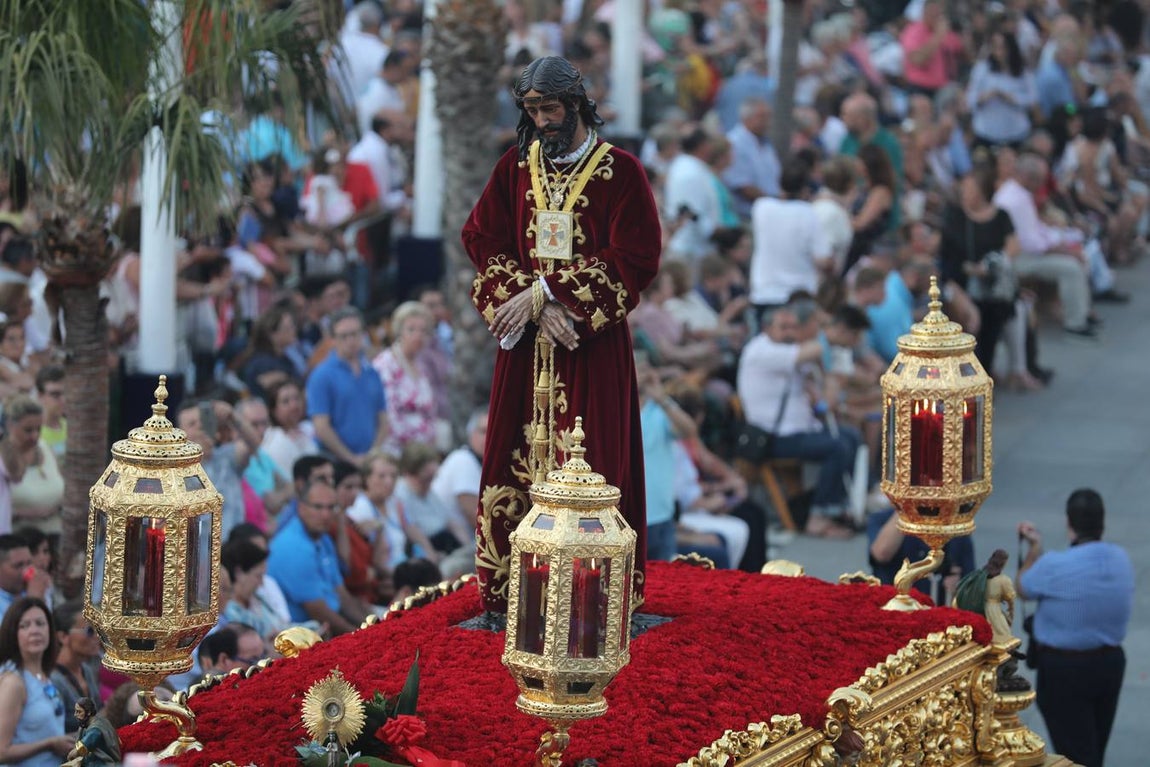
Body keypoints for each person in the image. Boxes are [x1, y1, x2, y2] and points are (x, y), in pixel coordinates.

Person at [461, 55, 660, 611]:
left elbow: (637, 257)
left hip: (589, 348)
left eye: (550, 109)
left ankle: (589, 593)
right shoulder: (514, 168)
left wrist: (550, 296)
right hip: (526, 351)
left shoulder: (621, 172)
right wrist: (528, 301)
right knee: (513, 456)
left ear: (575, 105)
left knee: (594, 458)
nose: (542, 120)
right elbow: (480, 237)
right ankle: (515, 590)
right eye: (532, 110)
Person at [1017, 489, 1134, 767]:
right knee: (1094, 746)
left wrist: (1033, 548)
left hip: (1063, 672)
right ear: (1102, 523)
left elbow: (1022, 586)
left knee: (1075, 755)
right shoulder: (1120, 559)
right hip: (1110, 664)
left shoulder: (1054, 565)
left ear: (1069, 523)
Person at [266, 480, 372, 636]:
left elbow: (342, 595)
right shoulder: (293, 547)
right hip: (307, 634)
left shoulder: (322, 537)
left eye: (331, 507)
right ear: (301, 508)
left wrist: (374, 625)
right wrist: (360, 635)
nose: (326, 515)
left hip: (331, 623)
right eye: (318, 507)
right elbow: (319, 612)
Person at [306, 307, 389, 466]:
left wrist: (372, 454)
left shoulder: (372, 373)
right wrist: (350, 458)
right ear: (333, 339)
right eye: (344, 336)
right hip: (334, 461)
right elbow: (321, 426)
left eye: (355, 334)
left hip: (369, 461)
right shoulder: (322, 375)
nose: (351, 340)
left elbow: (383, 420)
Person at [0, 597, 73, 765]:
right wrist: (49, 744)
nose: (34, 631)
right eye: (24, 626)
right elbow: (1, 751)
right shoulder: (14, 683)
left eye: (40, 623)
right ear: (13, 633)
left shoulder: (44, 677)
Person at [48, 601, 102, 733]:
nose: (97, 636)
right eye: (90, 630)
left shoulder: (86, 670)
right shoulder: (53, 679)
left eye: (99, 630)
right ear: (63, 636)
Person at [62, 697, 120, 767]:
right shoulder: (85, 724)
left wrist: (75, 752)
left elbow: (84, 745)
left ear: (88, 712)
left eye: (79, 712)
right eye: (75, 711)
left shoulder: (97, 728)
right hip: (90, 760)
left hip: (101, 762)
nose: (75, 715)